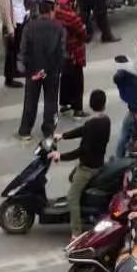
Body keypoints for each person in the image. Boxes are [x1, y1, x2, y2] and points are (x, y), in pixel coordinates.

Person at [56, 88, 110, 234]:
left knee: (72, 197)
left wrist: (60, 156)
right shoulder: (105, 121)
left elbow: (82, 150)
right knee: (72, 177)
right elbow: (83, 130)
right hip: (99, 164)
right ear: (104, 104)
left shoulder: (92, 125)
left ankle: (76, 233)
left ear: (90, 104)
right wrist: (63, 136)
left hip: (87, 168)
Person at [17, 0, 66, 140]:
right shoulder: (58, 27)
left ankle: (25, 130)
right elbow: (62, 50)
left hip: (33, 70)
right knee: (51, 100)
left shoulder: (29, 27)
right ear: (51, 11)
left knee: (30, 100)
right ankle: (49, 130)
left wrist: (25, 67)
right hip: (52, 70)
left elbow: (23, 49)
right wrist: (58, 66)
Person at [54, 0, 87, 116]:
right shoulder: (73, 17)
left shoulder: (56, 13)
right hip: (75, 52)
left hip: (62, 52)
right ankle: (78, 109)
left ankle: (65, 103)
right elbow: (83, 33)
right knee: (77, 82)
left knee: (66, 79)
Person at [0, 0, 27, 88]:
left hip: (20, 19)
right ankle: (9, 77)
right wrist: (10, 28)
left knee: (15, 49)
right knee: (11, 51)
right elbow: (5, 10)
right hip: (13, 24)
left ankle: (15, 70)